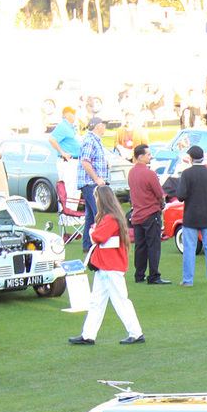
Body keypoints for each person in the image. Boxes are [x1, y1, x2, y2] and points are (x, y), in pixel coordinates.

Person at [70, 186, 145, 345]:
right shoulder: (113, 217)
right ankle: (88, 335)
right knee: (98, 300)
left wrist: (92, 232)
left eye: (97, 197)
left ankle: (136, 333)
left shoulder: (110, 218)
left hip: (110, 267)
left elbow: (98, 236)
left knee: (119, 300)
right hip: (106, 267)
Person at [176, 146, 207, 286]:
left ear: (190, 158)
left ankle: (188, 280)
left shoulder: (186, 174)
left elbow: (180, 196)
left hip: (191, 217)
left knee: (189, 249)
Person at [127, 144, 169, 284]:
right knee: (153, 246)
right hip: (150, 213)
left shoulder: (132, 172)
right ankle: (153, 276)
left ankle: (139, 275)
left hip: (137, 214)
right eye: (148, 154)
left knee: (140, 246)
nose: (151, 157)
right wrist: (161, 205)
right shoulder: (149, 173)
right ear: (141, 156)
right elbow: (159, 194)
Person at [76, 118, 109, 253]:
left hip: (90, 183)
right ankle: (99, 243)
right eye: (103, 125)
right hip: (91, 184)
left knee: (90, 215)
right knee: (99, 213)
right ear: (98, 126)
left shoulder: (93, 140)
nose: (104, 128)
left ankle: (87, 245)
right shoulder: (90, 141)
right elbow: (85, 161)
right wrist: (96, 178)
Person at [48, 106, 81, 196]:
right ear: (67, 115)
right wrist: (62, 152)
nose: (74, 116)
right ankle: (66, 209)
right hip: (67, 161)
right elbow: (52, 139)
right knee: (69, 187)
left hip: (75, 160)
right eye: (72, 114)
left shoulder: (71, 128)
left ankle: (72, 209)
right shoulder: (62, 126)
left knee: (75, 187)